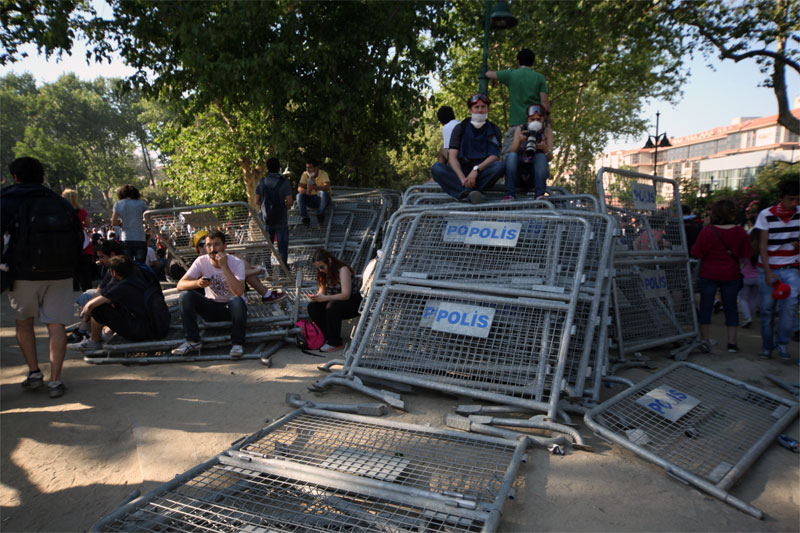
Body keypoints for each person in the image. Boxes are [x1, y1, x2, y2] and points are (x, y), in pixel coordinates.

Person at [1, 157, 83, 399]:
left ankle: (34, 372)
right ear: (42, 177)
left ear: (15, 177)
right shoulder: (59, 202)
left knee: (24, 322)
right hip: (60, 271)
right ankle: (56, 380)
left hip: (22, 273)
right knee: (56, 325)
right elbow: (79, 237)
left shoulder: (6, 200)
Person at [67, 255, 168, 350]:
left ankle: (94, 341)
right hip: (161, 325)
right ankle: (106, 334)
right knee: (116, 305)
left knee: (98, 309)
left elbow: (90, 306)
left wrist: (84, 322)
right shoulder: (140, 277)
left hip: (143, 332)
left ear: (114, 273)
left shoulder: (122, 286)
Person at [173, 230, 248, 358]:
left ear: (225, 247)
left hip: (232, 308)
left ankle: (237, 344)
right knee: (185, 295)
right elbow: (180, 285)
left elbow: (239, 291)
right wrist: (197, 283)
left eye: (216, 245)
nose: (212, 249)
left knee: (236, 300)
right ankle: (193, 341)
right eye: (209, 245)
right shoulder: (201, 261)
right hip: (211, 306)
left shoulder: (236, 262)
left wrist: (224, 267)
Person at [691, 199, 752, 353]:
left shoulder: (707, 231)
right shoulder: (740, 232)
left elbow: (696, 253)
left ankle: (704, 339)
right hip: (731, 274)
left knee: (706, 307)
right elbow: (746, 255)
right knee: (731, 308)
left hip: (709, 273)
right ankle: (732, 343)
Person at [430, 93, 505, 204]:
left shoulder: (494, 129)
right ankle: (469, 193)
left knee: (499, 166)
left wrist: (476, 170)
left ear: (487, 109)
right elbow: (452, 157)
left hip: (481, 173)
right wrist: (462, 178)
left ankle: (465, 193)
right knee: (437, 168)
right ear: (470, 110)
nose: (480, 110)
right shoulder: (460, 128)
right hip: (461, 172)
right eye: (476, 107)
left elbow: (494, 156)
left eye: (483, 107)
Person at [754, 178, 799, 360]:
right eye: (791, 199)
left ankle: (782, 344)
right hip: (769, 267)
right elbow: (762, 246)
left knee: (790, 308)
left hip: (791, 268)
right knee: (767, 310)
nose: (794, 204)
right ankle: (767, 346)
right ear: (781, 198)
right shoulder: (766, 215)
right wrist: (768, 271)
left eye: (798, 199)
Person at [486, 48, 550, 155]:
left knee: (508, 158)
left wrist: (494, 79)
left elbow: (488, 73)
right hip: (535, 125)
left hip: (516, 126)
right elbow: (545, 104)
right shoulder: (539, 78)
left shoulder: (511, 74)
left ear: (518, 62)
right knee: (538, 157)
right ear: (533, 63)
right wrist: (547, 123)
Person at [67, 239, 125, 343]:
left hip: (123, 307)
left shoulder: (121, 268)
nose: (100, 260)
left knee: (95, 306)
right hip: (116, 299)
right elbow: (101, 288)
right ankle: (86, 330)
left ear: (112, 254)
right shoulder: (111, 267)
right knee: (87, 296)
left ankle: (91, 335)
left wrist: (89, 306)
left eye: (102, 257)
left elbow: (110, 293)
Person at [308, 248, 362, 353]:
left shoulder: (343, 270)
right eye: (318, 268)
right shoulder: (323, 273)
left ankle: (335, 342)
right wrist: (317, 297)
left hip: (353, 302)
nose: (320, 270)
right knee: (312, 307)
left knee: (332, 306)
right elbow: (322, 291)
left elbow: (346, 295)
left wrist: (324, 298)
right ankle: (326, 335)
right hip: (336, 301)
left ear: (329, 261)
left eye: (322, 267)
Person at [503, 104, 553, 199]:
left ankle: (539, 195)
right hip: (519, 173)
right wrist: (519, 141)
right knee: (512, 156)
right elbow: (511, 152)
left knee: (541, 157)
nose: (535, 122)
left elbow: (550, 158)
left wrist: (543, 148)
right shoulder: (521, 128)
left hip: (535, 175)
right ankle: (509, 194)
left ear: (543, 119)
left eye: (539, 119)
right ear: (527, 119)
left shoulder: (547, 131)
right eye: (532, 119)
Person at [255, 156, 292, 266]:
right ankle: (283, 271)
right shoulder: (284, 183)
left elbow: (256, 200)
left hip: (266, 219)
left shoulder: (261, 182)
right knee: (282, 245)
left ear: (267, 168)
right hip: (281, 218)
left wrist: (264, 208)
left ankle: (268, 269)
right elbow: (289, 201)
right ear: (279, 168)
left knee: (267, 245)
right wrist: (285, 208)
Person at [61, 188, 94, 291]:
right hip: (82, 241)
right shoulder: (81, 211)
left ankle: (74, 287)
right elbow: (88, 224)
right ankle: (87, 288)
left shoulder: (62, 211)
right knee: (85, 269)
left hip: (67, 241)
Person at [111, 184, 149, 263]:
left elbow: (114, 222)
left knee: (127, 265)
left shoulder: (118, 204)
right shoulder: (142, 203)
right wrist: (140, 221)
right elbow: (148, 219)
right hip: (140, 237)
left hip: (125, 238)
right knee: (141, 264)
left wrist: (121, 223)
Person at [296, 158, 331, 226]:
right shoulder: (305, 174)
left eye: (310, 168)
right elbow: (299, 188)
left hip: (322, 200)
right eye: (307, 168)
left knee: (323, 193)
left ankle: (320, 214)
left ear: (316, 168)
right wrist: (306, 192)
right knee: (299, 195)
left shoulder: (323, 174)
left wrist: (315, 188)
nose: (308, 170)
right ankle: (305, 217)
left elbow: (327, 187)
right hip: (311, 199)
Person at [738, 229, 760, 329]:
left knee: (743, 298)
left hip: (745, 277)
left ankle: (747, 317)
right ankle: (749, 316)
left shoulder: (746, 248)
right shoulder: (763, 248)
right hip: (758, 277)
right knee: (753, 298)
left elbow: (741, 260)